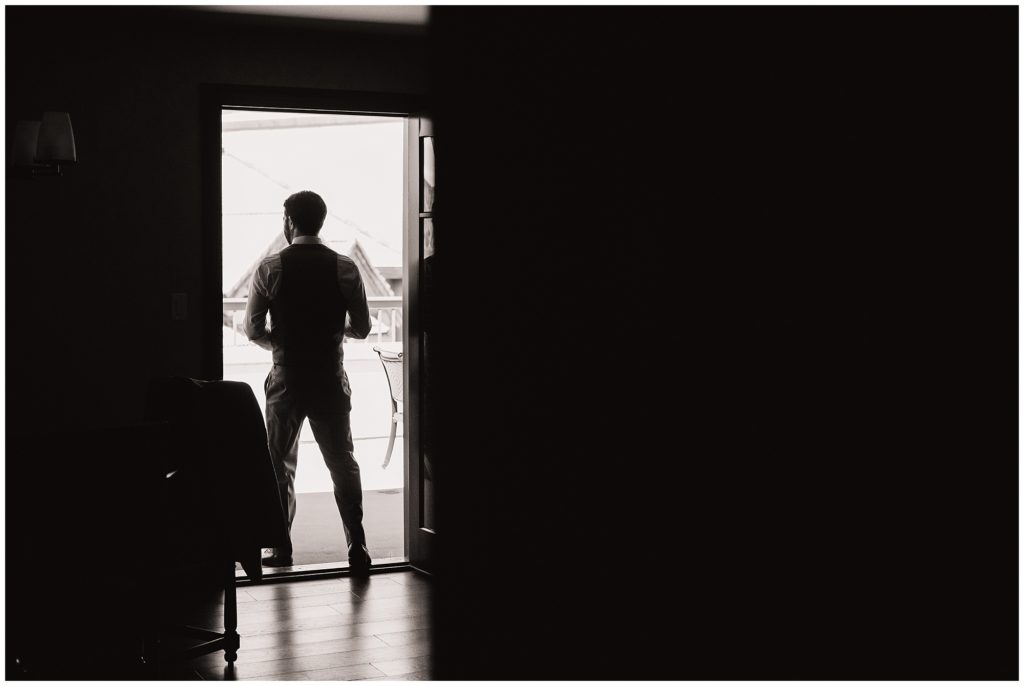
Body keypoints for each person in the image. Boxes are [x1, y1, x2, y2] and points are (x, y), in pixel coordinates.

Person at [243, 190, 373, 575]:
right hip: (330, 379)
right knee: (342, 462)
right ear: (321, 220)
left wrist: (280, 344)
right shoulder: (345, 268)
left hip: (286, 380)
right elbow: (363, 329)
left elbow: (252, 329)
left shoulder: (270, 268)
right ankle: (357, 544)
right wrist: (336, 333)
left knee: (278, 463)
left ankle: (281, 546)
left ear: (288, 222)